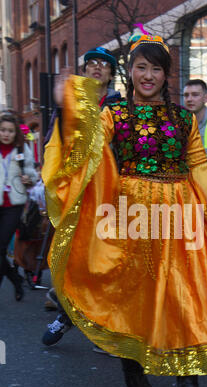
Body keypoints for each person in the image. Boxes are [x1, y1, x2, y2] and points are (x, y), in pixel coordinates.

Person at [42, 32, 207, 387]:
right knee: (134, 293)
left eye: (156, 68)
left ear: (165, 75)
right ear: (130, 72)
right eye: (141, 67)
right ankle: (134, 368)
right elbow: (88, 144)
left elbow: (199, 166)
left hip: (181, 217)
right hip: (130, 217)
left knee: (186, 297)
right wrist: (73, 103)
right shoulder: (115, 114)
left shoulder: (183, 118)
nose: (148, 75)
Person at [42, 46, 121, 354]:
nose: (98, 68)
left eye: (104, 64)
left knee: (105, 263)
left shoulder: (118, 106)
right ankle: (68, 315)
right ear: (85, 70)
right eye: (92, 63)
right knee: (72, 261)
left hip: (109, 196)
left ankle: (98, 325)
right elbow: (56, 143)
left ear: (112, 73)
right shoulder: (71, 101)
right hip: (75, 196)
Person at [0, 113, 37, 300]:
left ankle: (15, 280)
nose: (6, 134)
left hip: (13, 204)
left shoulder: (22, 149)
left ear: (15, 133)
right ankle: (15, 279)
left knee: (1, 247)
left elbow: (32, 172)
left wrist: (28, 178)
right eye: (3, 130)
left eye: (10, 131)